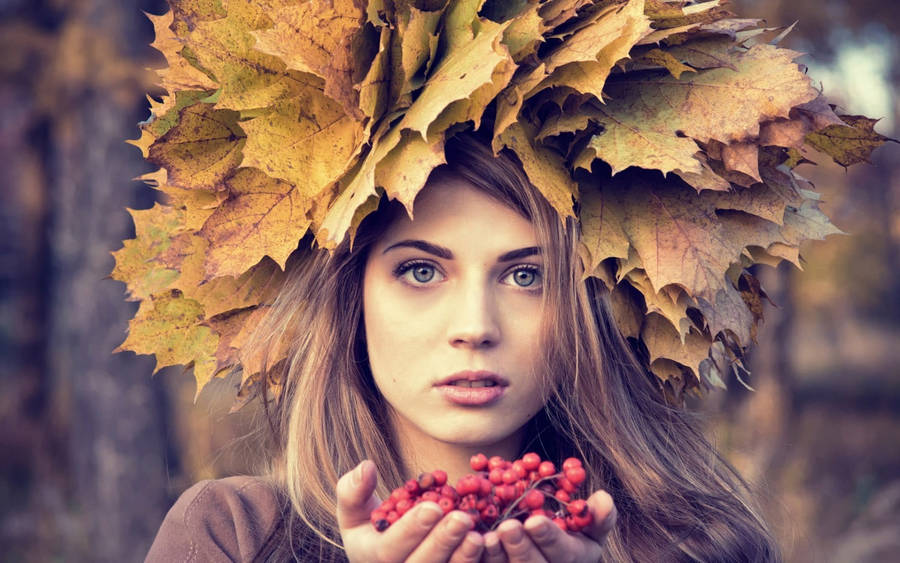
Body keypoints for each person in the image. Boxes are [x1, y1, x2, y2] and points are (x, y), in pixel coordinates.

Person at [145, 133, 779, 562]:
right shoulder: (232, 535)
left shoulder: (694, 545)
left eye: (528, 276)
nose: (475, 326)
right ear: (352, 299)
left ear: (588, 313)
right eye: (421, 271)